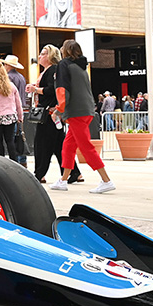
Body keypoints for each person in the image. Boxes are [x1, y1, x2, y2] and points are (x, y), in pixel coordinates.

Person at [49, 39, 114, 193]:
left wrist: (58, 110)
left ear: (65, 51)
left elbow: (62, 90)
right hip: (86, 109)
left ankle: (106, 180)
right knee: (68, 145)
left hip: (76, 112)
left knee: (86, 147)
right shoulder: (82, 67)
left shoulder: (64, 65)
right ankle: (63, 180)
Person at [26, 44, 81, 184]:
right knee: (58, 145)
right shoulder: (47, 71)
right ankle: (74, 172)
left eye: (43, 53)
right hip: (50, 113)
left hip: (50, 112)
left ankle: (39, 174)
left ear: (51, 56)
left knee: (42, 144)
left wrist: (35, 89)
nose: (40, 56)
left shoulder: (54, 70)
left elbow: (52, 90)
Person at [0, 62, 23, 161]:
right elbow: (18, 103)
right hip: (11, 116)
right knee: (10, 141)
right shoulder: (11, 86)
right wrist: (20, 117)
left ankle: (1, 162)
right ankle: (14, 162)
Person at [1, 54, 28, 165]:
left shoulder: (8, 78)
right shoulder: (21, 77)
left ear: (7, 65)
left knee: (12, 138)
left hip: (12, 110)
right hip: (21, 108)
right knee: (20, 136)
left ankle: (17, 160)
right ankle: (23, 159)